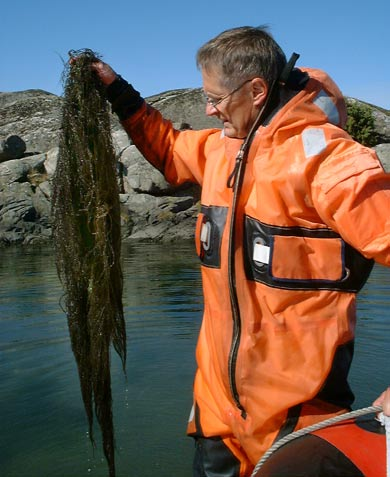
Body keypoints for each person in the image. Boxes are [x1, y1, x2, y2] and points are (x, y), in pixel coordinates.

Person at [88, 26, 390, 477]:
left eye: (216, 98)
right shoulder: (216, 151)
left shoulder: (333, 163)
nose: (208, 109)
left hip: (298, 416)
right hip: (217, 413)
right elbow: (168, 148)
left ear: (256, 89)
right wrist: (117, 90)